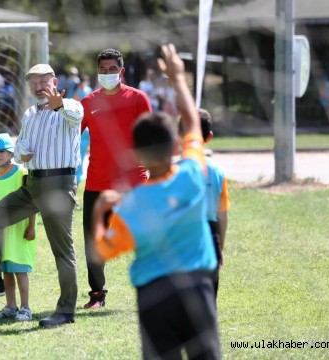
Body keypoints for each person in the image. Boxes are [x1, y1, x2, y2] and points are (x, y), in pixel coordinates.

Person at [92, 44, 221, 359]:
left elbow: (103, 251)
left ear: (136, 155)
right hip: (198, 289)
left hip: (153, 298)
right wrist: (178, 78)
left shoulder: (133, 204)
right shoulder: (192, 174)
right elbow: (191, 122)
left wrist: (99, 212)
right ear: (175, 144)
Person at [0, 64, 82, 328]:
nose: (39, 87)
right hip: (32, 184)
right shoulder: (30, 113)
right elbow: (18, 149)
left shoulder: (71, 106)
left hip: (59, 185)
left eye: (43, 81)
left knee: (62, 251)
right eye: (33, 83)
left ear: (54, 81)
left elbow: (75, 119)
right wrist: (21, 154)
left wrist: (61, 104)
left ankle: (65, 311)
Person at [80, 48, 152, 309]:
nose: (107, 73)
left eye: (112, 69)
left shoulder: (137, 99)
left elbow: (151, 136)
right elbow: (70, 136)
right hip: (97, 183)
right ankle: (97, 295)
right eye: (102, 69)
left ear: (121, 72)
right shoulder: (87, 102)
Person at [0, 133, 36, 322]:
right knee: (6, 271)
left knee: (20, 270)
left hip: (20, 231)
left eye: (2, 151)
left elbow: (31, 202)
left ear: (11, 153)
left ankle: (25, 307)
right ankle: (11, 306)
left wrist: (31, 227)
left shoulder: (22, 173)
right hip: (0, 234)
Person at [180, 109, 230, 299]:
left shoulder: (175, 170)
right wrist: (220, 247)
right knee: (208, 297)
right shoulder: (218, 171)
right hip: (211, 234)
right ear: (209, 137)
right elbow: (222, 215)